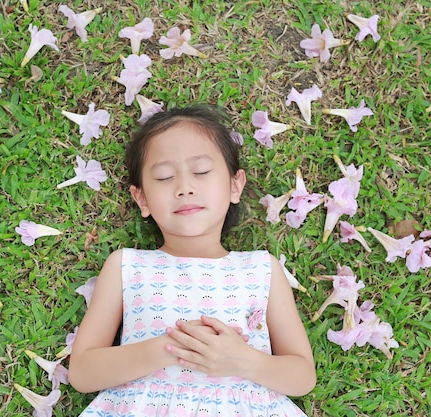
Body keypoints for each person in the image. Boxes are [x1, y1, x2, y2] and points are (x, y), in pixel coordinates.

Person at [69, 105, 316, 416]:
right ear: (142, 199)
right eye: (164, 177)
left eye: (201, 172)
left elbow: (303, 375)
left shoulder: (261, 269)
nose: (184, 188)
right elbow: (82, 372)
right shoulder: (126, 266)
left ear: (234, 185)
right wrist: (174, 347)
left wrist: (243, 360)